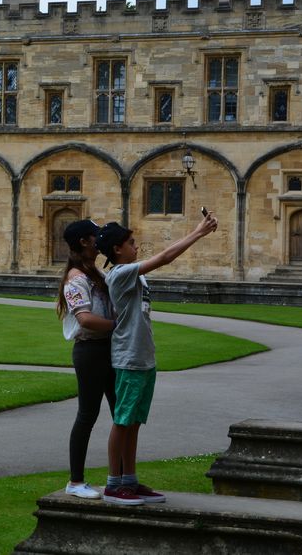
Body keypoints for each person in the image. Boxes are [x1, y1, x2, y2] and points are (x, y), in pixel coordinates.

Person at [95, 213, 218, 505]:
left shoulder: (135, 273)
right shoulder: (120, 273)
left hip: (142, 358)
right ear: (117, 250)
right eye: (131, 243)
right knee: (122, 421)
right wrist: (198, 232)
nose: (136, 247)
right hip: (128, 358)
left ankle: (130, 480)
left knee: (134, 421)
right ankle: (113, 484)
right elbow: (165, 257)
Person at [56, 219, 116, 500]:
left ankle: (121, 478)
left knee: (122, 413)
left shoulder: (95, 274)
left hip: (108, 349)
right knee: (87, 415)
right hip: (90, 352)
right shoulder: (76, 279)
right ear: (84, 241)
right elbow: (86, 319)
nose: (99, 241)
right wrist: (120, 324)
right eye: (96, 237)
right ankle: (75, 481)